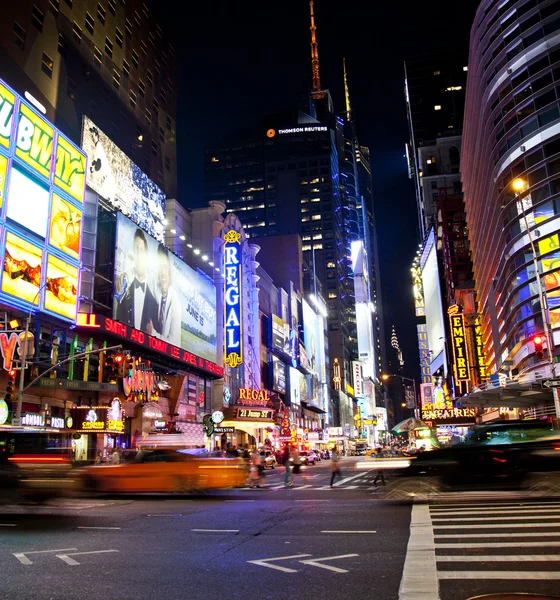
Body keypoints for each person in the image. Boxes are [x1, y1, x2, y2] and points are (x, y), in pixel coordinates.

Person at [116, 228, 159, 332]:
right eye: (136, 249)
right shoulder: (126, 284)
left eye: (141, 250)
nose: (139, 254)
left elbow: (158, 329)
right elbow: (117, 296)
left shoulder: (154, 297)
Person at [155, 246, 182, 347]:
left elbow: (173, 343)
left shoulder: (175, 302)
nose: (162, 273)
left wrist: (152, 333)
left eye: (165, 268)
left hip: (173, 357)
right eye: (159, 268)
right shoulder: (156, 291)